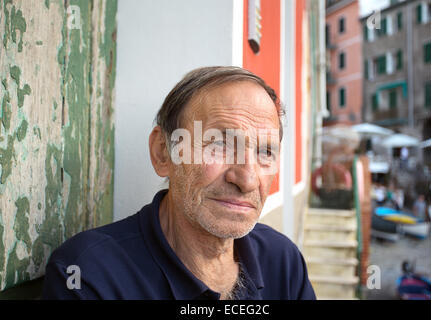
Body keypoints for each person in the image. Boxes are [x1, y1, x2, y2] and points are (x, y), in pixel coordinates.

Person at [41, 66, 316, 300]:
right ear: (163, 152)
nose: (247, 179)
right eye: (219, 144)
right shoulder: (89, 274)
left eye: (265, 152)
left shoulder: (283, 261)